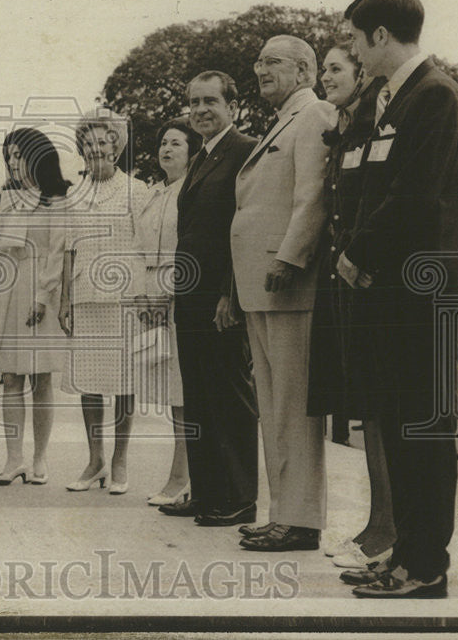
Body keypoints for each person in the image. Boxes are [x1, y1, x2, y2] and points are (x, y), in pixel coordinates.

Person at [339, 0, 458, 599]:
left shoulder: (435, 95)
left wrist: (356, 254)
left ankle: (424, 567)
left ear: (381, 36)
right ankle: (404, 553)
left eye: (355, 43)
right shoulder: (396, 100)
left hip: (420, 293)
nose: (355, 55)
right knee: (397, 425)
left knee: (421, 428)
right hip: (389, 289)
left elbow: (413, 199)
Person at [229, 37, 335, 550]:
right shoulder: (283, 119)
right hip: (263, 288)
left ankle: (300, 519)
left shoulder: (313, 115)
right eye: (258, 61)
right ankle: (284, 514)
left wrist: (291, 257)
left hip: (287, 283)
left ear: (303, 69)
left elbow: (312, 193)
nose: (260, 68)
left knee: (293, 408)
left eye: (271, 61)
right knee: (274, 408)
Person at [306, 43, 396, 569]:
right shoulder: (347, 122)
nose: (326, 76)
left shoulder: (375, 117)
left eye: (335, 67)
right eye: (323, 70)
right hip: (344, 281)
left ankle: (386, 526)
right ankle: (376, 522)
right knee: (367, 412)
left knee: (380, 412)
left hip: (370, 281)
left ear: (361, 73)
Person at [161, 73, 259, 527]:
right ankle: (206, 491)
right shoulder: (201, 156)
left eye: (210, 101)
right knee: (199, 397)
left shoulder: (243, 151)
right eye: (193, 102)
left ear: (232, 105)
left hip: (221, 298)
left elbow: (244, 228)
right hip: (190, 296)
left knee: (229, 396)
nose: (200, 109)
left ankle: (238, 497)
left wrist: (229, 293)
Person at [57, 108, 149, 495]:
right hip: (83, 296)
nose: (96, 148)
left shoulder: (137, 190)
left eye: (103, 141)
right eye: (88, 142)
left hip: (123, 298)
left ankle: (120, 461)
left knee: (124, 382)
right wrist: (64, 299)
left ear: (116, 145)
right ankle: (95, 461)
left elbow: (144, 247)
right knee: (89, 382)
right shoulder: (73, 193)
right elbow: (67, 250)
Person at [0, 128, 70, 486]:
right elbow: (1, 253)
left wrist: (42, 296)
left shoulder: (58, 198)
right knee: (10, 377)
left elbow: (57, 251)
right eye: (10, 156)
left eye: (20, 154)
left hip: (40, 293)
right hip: (8, 294)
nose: (14, 162)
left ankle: (39, 459)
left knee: (42, 378)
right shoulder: (8, 199)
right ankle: (13, 458)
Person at [135, 117, 200, 506]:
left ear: (191, 151)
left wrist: (168, 292)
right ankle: (180, 473)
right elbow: (139, 251)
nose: (167, 148)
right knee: (170, 391)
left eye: (176, 143)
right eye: (163, 142)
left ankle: (183, 477)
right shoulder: (154, 194)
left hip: (182, 296)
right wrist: (143, 296)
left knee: (185, 390)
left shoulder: (191, 191)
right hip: (153, 298)